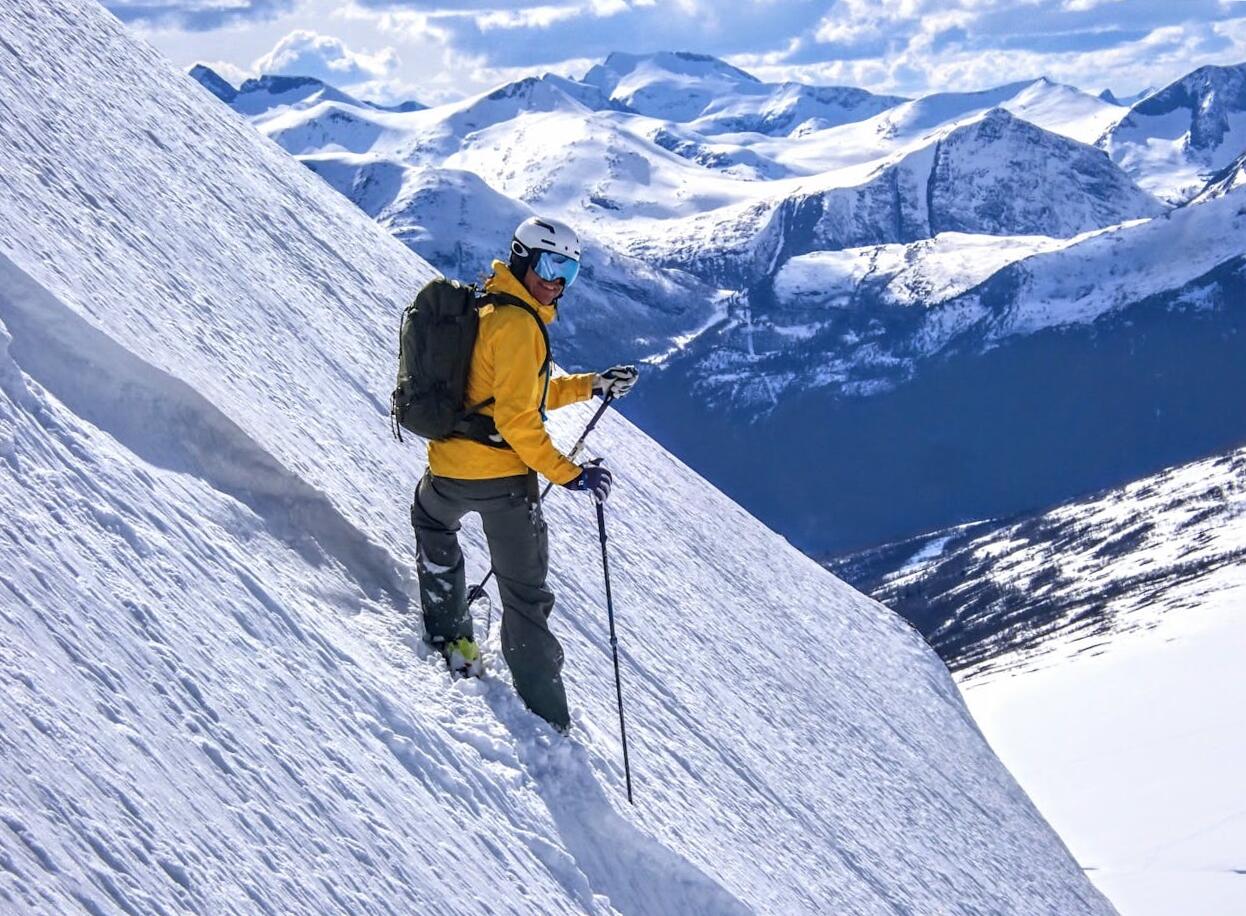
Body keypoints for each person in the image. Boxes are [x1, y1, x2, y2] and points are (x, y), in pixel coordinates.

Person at [410, 216, 637, 732]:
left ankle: (452, 638)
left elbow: (512, 395)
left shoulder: (487, 307)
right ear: (522, 257)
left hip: (446, 468)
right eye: (552, 265)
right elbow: (518, 420)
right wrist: (571, 474)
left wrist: (591, 385)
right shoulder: (520, 327)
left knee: (432, 523)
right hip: (505, 487)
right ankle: (547, 719)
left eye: (571, 272)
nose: (559, 282)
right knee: (525, 600)